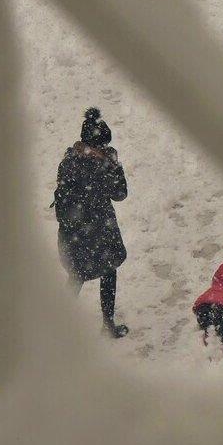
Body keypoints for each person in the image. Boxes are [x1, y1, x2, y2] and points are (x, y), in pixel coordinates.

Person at [54, 107, 129, 338]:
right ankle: (108, 323)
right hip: (98, 231)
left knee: (76, 277)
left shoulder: (69, 159)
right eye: (103, 146)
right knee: (108, 272)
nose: (106, 149)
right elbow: (120, 194)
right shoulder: (102, 166)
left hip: (74, 232)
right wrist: (115, 168)